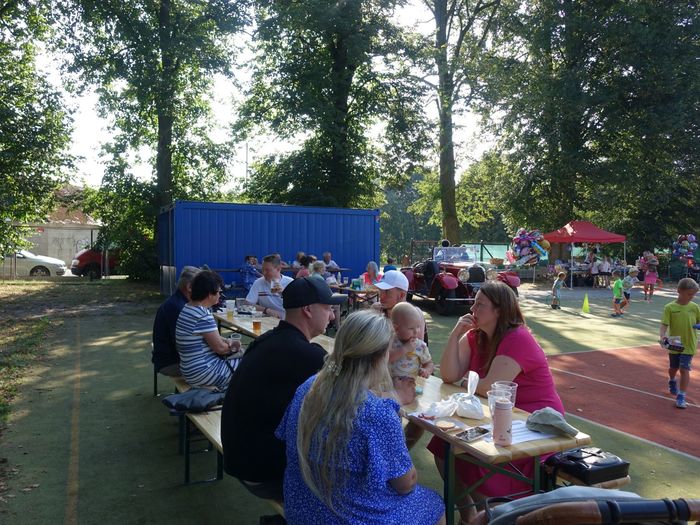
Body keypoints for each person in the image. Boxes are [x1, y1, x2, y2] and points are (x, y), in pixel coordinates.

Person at [275, 310, 445, 525]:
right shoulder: (378, 412)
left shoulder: (308, 387)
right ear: (380, 357)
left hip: (300, 508)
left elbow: (284, 435)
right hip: (346, 517)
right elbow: (406, 483)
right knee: (434, 503)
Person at [429, 281, 565, 523]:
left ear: (499, 310)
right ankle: (470, 516)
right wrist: (455, 333)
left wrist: (466, 382)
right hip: (499, 416)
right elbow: (449, 375)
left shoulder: (518, 338)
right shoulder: (475, 336)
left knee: (476, 458)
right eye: (474, 303)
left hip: (533, 422)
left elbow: (490, 388)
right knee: (443, 448)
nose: (473, 309)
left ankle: (492, 517)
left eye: (480, 304)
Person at [221, 278, 346, 506]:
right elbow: (353, 403)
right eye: (328, 308)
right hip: (263, 475)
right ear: (308, 310)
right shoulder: (307, 356)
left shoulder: (267, 341)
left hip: (239, 459)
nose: (331, 316)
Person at [175, 270, 242, 389]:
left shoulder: (188, 308)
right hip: (204, 372)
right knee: (252, 364)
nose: (220, 295)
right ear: (210, 293)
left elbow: (208, 336)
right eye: (219, 292)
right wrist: (234, 347)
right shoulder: (202, 315)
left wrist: (226, 341)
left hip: (189, 371)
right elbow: (220, 349)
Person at [659, 277, 700, 409]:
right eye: (689, 294)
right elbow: (664, 324)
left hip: (689, 343)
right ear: (679, 291)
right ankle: (672, 380)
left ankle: (681, 395)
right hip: (675, 342)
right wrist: (662, 336)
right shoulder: (669, 307)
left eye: (693, 294)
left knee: (684, 369)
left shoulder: (695, 307)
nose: (692, 297)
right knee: (673, 368)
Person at [151, 265, 199, 377]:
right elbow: (185, 347)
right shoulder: (178, 308)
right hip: (171, 363)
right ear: (189, 287)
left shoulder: (178, 302)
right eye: (202, 286)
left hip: (170, 359)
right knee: (221, 367)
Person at [389, 302, 434, 405]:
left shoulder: (420, 346)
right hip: (388, 384)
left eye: (418, 327)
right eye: (411, 328)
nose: (416, 331)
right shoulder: (390, 341)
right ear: (396, 328)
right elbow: (386, 358)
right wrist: (405, 349)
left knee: (409, 406)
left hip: (408, 386)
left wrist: (426, 370)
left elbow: (429, 363)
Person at [246, 254, 293, 318]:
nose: (264, 273)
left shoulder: (290, 282)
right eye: (263, 270)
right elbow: (249, 304)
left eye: (267, 270)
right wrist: (267, 310)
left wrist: (283, 294)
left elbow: (299, 306)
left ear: (278, 269)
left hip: (286, 320)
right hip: (266, 320)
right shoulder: (258, 282)